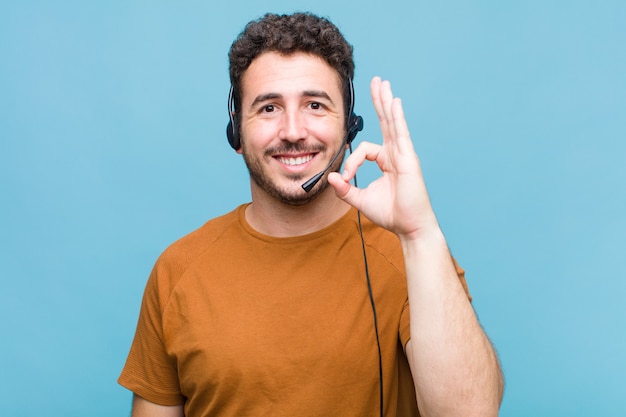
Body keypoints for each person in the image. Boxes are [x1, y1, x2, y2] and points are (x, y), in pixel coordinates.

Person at [118, 12, 503, 417]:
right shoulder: (177, 271)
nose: (293, 130)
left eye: (315, 105)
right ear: (236, 131)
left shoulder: (410, 254)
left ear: (349, 124)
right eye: (268, 108)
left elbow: (470, 412)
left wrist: (420, 234)